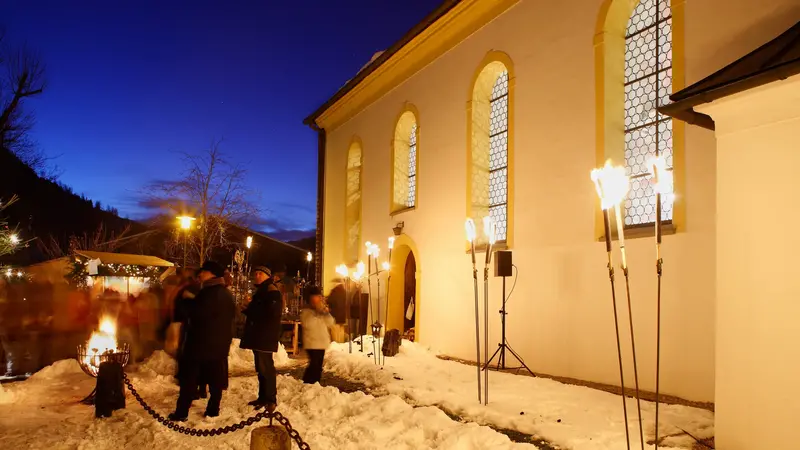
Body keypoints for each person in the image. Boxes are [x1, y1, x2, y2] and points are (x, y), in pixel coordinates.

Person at [169, 261, 235, 421]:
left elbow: (196, 313)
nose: (200, 274)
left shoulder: (209, 293)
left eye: (203, 271)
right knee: (215, 380)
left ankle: (181, 412)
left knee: (189, 380)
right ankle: (213, 409)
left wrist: (184, 300)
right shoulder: (226, 294)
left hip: (200, 344)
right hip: (218, 345)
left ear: (211, 273)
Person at [240, 266, 282, 411]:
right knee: (261, 368)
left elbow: (270, 313)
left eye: (260, 274)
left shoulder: (271, 290)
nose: (256, 276)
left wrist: (249, 308)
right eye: (255, 273)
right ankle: (263, 397)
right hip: (259, 335)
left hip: (264, 336)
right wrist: (247, 307)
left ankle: (270, 399)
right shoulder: (262, 290)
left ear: (267, 276)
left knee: (266, 368)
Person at [300, 286, 334, 384]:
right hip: (312, 343)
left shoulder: (322, 309)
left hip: (322, 342)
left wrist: (325, 313)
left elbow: (331, 322)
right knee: (314, 365)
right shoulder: (306, 311)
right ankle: (308, 382)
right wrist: (318, 313)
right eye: (315, 297)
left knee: (318, 366)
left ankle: (315, 384)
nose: (318, 299)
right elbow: (308, 325)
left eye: (319, 297)